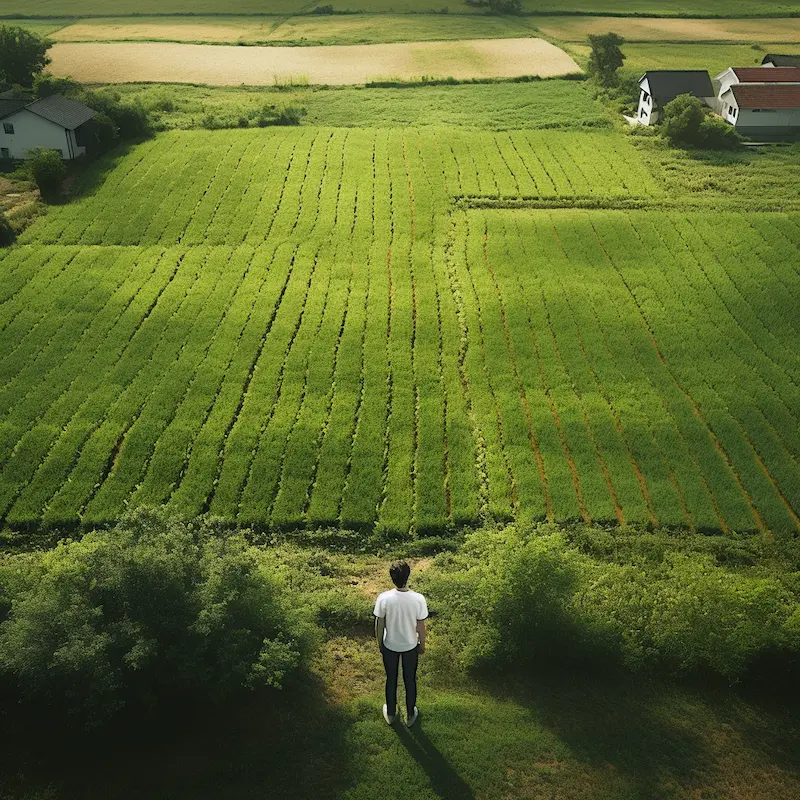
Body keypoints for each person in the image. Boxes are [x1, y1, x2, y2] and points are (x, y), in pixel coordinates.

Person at [373, 560, 428, 727]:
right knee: (410, 680)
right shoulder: (418, 599)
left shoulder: (384, 598)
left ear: (392, 578)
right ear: (408, 576)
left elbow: (379, 624)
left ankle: (390, 712)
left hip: (390, 645)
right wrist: (423, 645)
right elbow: (420, 626)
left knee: (391, 679)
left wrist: (379, 643)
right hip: (411, 646)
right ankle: (410, 714)